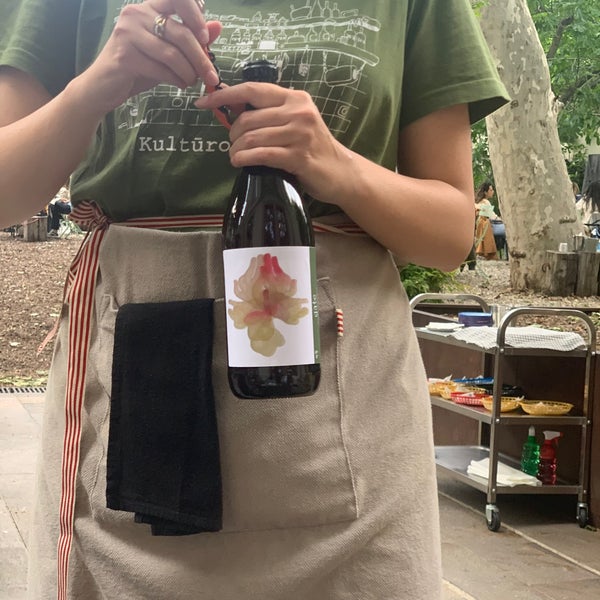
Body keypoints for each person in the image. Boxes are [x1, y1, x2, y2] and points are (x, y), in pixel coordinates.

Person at [0, 1, 508, 598]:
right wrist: (94, 88)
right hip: (129, 402)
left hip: (355, 422)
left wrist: (336, 165)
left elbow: (450, 234)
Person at [474, 181, 499, 260]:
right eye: (491, 190)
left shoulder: (477, 202)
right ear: (485, 192)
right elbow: (492, 216)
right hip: (485, 224)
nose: (493, 191)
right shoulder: (486, 202)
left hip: (477, 226)